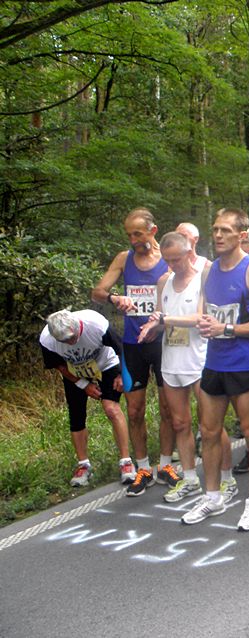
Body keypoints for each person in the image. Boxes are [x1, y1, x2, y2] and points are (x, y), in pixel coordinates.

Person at [180, 208, 249, 531]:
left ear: (241, 236)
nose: (218, 235)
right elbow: (206, 312)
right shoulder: (208, 270)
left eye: (225, 231)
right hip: (213, 361)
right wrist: (206, 323)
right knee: (208, 431)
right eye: (215, 229)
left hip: (243, 362)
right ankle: (213, 496)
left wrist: (227, 330)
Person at [137, 232, 238, 503]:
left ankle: (227, 479)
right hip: (171, 361)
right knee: (180, 423)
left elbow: (201, 317)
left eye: (177, 259)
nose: (173, 265)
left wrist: (165, 319)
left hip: (200, 361)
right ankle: (191, 479)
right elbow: (160, 316)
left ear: (189, 253)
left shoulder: (204, 276)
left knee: (211, 427)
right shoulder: (163, 281)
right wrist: (151, 328)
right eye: (168, 260)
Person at [91, 208, 176, 496]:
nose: (133, 240)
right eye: (128, 234)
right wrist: (116, 297)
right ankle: (143, 468)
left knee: (168, 408)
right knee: (135, 410)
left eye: (137, 234)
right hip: (133, 344)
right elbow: (97, 291)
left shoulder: (167, 258)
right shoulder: (124, 258)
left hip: (164, 342)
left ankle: (165, 464)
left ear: (153, 231)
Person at [40, 310, 133, 487]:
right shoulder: (47, 339)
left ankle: (126, 462)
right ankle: (83, 465)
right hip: (75, 370)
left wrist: (122, 374)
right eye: (65, 341)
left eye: (73, 338)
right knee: (76, 416)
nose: (70, 342)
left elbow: (122, 349)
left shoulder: (96, 324)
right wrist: (83, 384)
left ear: (78, 327)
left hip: (106, 363)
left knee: (111, 408)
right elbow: (60, 366)